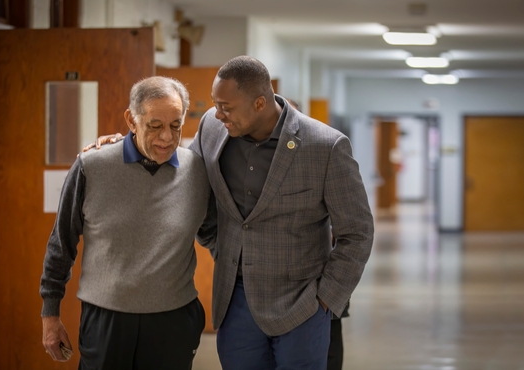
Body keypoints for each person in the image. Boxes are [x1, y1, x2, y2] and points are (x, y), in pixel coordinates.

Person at [93, 56, 374, 370]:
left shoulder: (325, 146)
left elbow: (358, 231)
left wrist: (327, 299)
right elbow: (185, 180)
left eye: (226, 106)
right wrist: (125, 147)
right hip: (235, 300)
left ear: (258, 103)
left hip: (302, 303)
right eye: (215, 103)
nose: (217, 113)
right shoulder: (213, 128)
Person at [40, 76, 213, 369]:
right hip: (107, 320)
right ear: (131, 121)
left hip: (174, 321)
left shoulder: (197, 170)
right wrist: (50, 314)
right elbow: (61, 245)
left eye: (175, 125)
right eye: (155, 126)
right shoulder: (91, 166)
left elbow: (220, 236)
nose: (167, 138)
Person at [286, 97, 349, 370]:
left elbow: (352, 229)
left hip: (319, 285)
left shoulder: (323, 154)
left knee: (327, 355)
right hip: (266, 292)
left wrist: (329, 294)